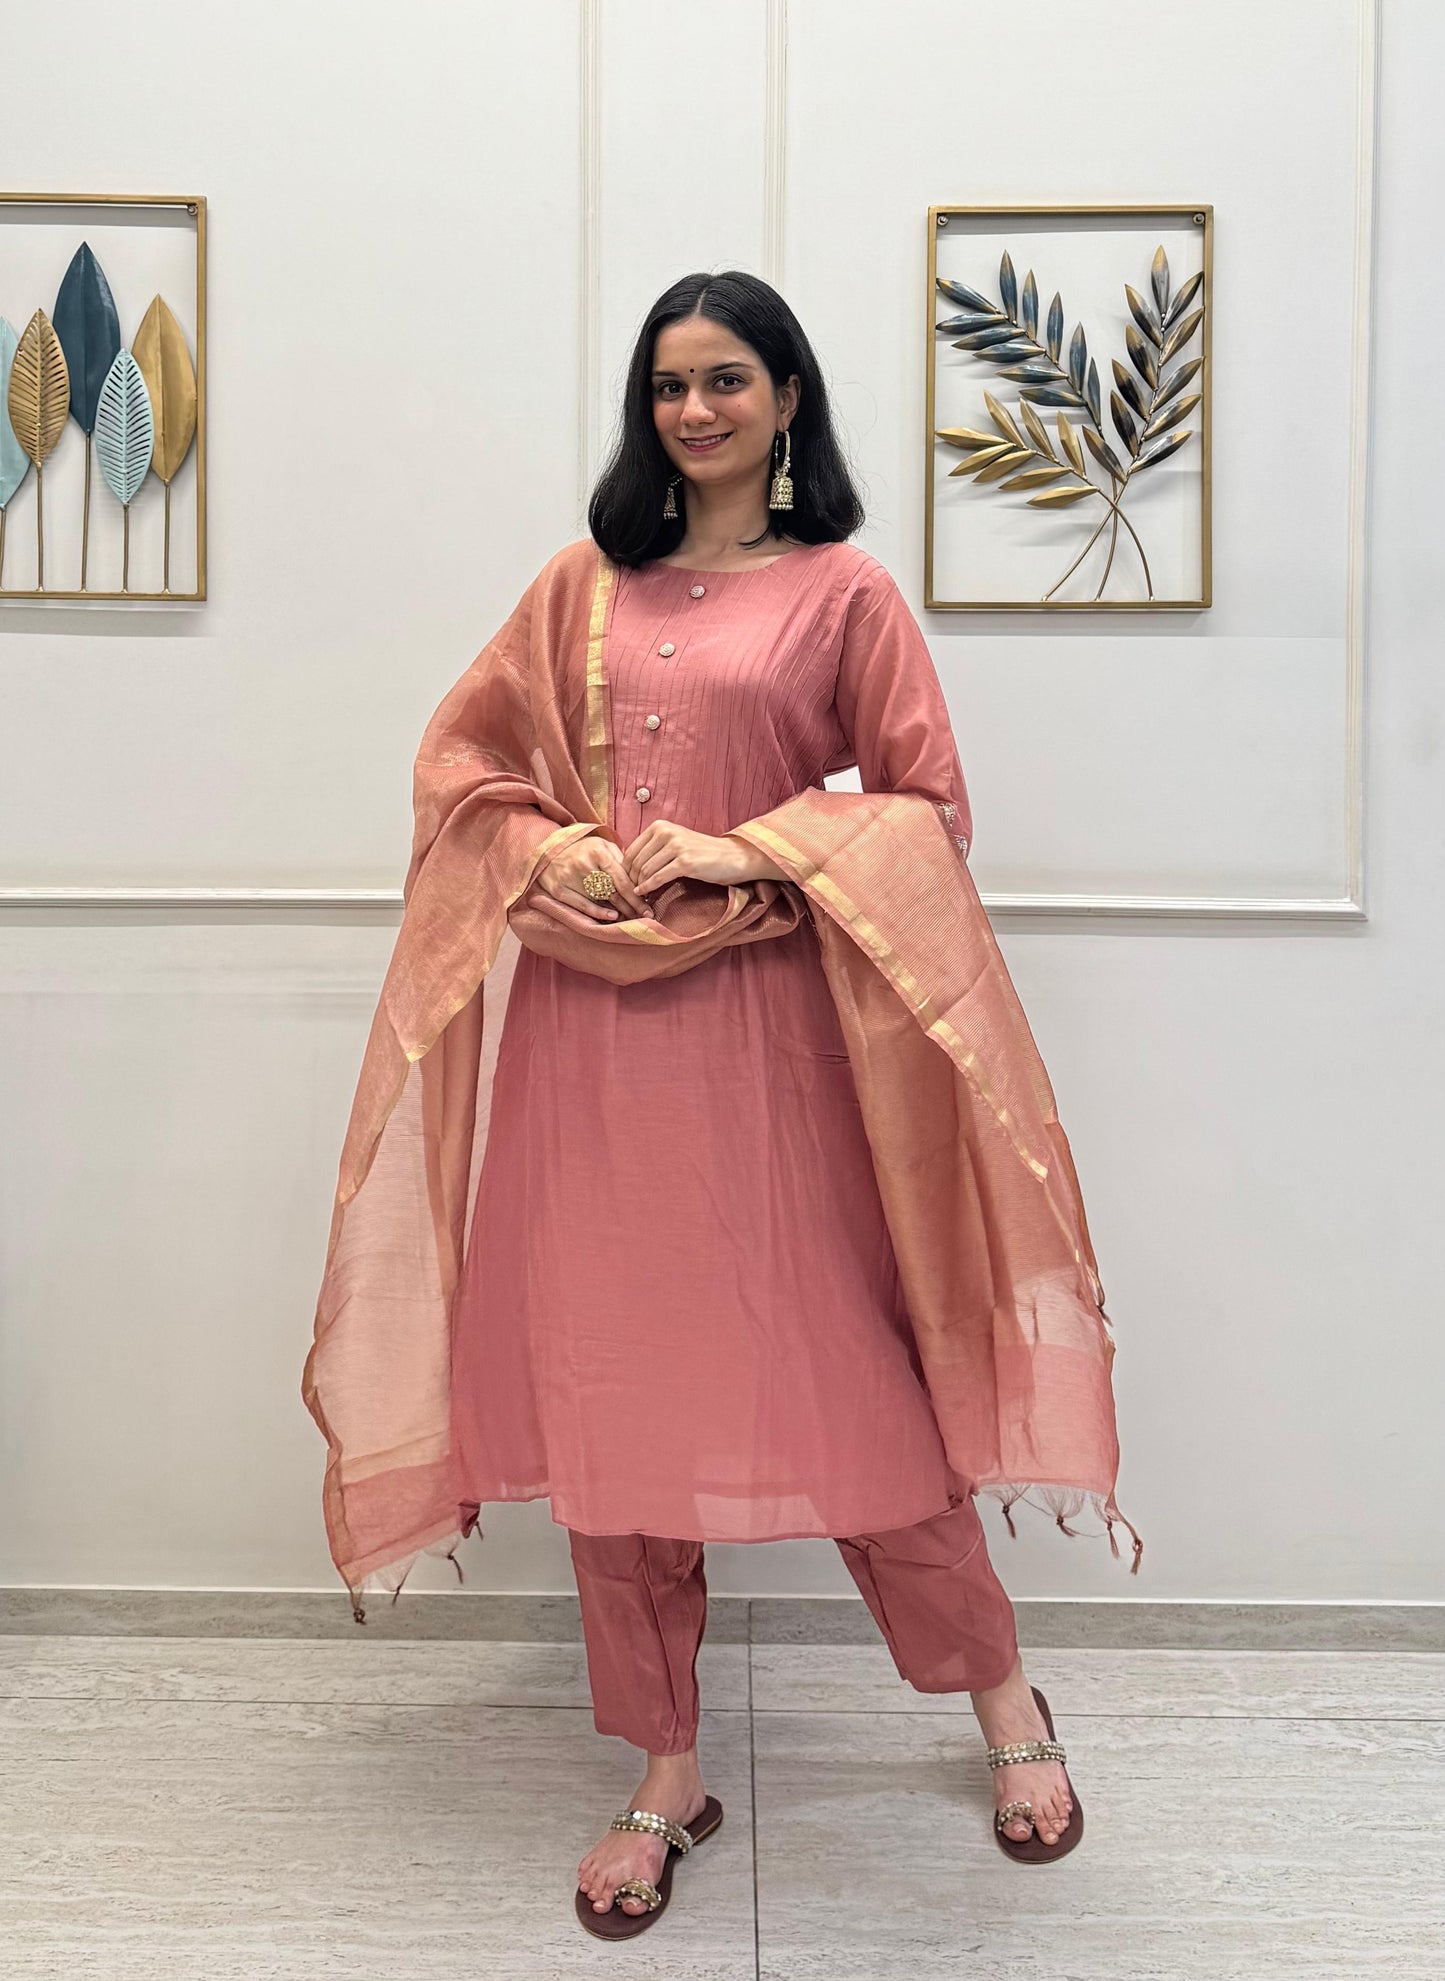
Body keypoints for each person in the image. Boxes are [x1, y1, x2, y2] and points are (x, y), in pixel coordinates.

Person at [302, 270, 1138, 1942]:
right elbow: (461, 774)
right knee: (610, 1422)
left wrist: (746, 847)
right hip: (589, 1060)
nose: (694, 412)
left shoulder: (845, 595)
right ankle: (666, 1766)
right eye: (669, 385)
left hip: (772, 1048)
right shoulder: (578, 587)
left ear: (786, 399)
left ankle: (1006, 1704)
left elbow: (922, 811)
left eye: (727, 381)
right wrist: (560, 850)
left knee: (856, 1399)